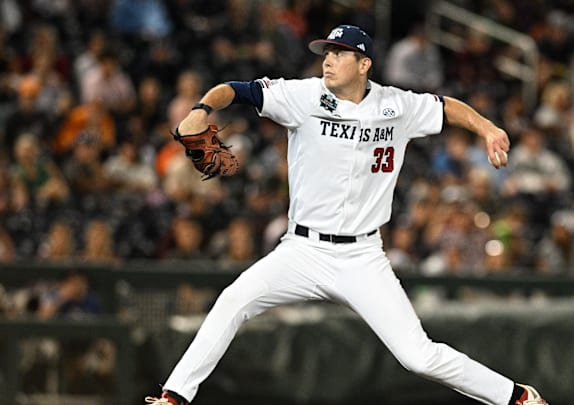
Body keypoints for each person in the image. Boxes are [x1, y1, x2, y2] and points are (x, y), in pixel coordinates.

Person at [145, 25, 547, 405]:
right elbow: (235, 90)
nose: (328, 59)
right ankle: (175, 396)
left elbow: (448, 107)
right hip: (301, 251)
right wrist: (201, 108)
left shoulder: (397, 105)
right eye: (327, 52)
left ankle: (516, 397)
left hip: (362, 257)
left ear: (364, 64)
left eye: (340, 53)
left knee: (418, 356)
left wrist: (487, 127)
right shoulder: (301, 96)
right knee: (233, 300)